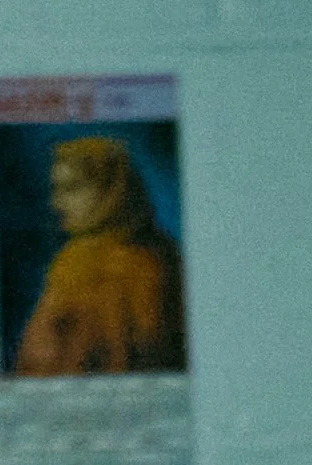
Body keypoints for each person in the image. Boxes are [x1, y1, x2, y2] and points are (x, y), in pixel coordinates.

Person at [10, 136, 187, 378]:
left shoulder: (78, 267)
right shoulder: (169, 254)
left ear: (113, 189)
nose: (57, 204)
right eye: (56, 189)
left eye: (72, 188)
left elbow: (43, 367)